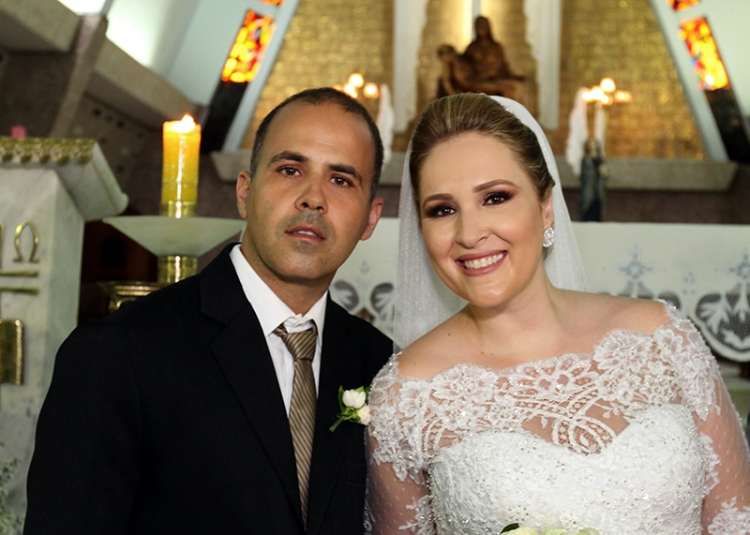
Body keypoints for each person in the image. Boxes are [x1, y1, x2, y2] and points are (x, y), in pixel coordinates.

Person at [365, 93, 750, 534]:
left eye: (495, 197)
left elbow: (736, 519)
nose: (469, 233)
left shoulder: (663, 338)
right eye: (443, 210)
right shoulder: (407, 397)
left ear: (545, 207)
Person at [25, 87, 393, 534]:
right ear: (245, 191)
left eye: (341, 180)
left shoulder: (382, 364)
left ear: (370, 218)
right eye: (290, 169)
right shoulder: (121, 352)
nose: (313, 198)